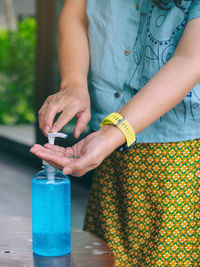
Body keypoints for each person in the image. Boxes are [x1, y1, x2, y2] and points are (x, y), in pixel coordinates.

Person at [30, 0, 200, 265]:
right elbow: (75, 13)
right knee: (103, 257)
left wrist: (113, 132)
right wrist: (73, 83)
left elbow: (191, 58)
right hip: (109, 154)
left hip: (179, 160)